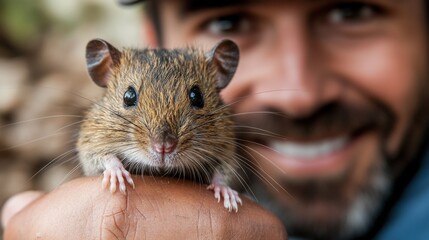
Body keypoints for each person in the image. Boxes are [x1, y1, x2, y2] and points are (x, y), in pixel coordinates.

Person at [3, 0, 429, 239]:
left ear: (218, 71)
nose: (300, 97)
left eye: (351, 11)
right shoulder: (103, 126)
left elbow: (222, 157)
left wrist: (221, 182)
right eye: (228, 19)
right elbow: (90, 148)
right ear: (106, 70)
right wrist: (109, 165)